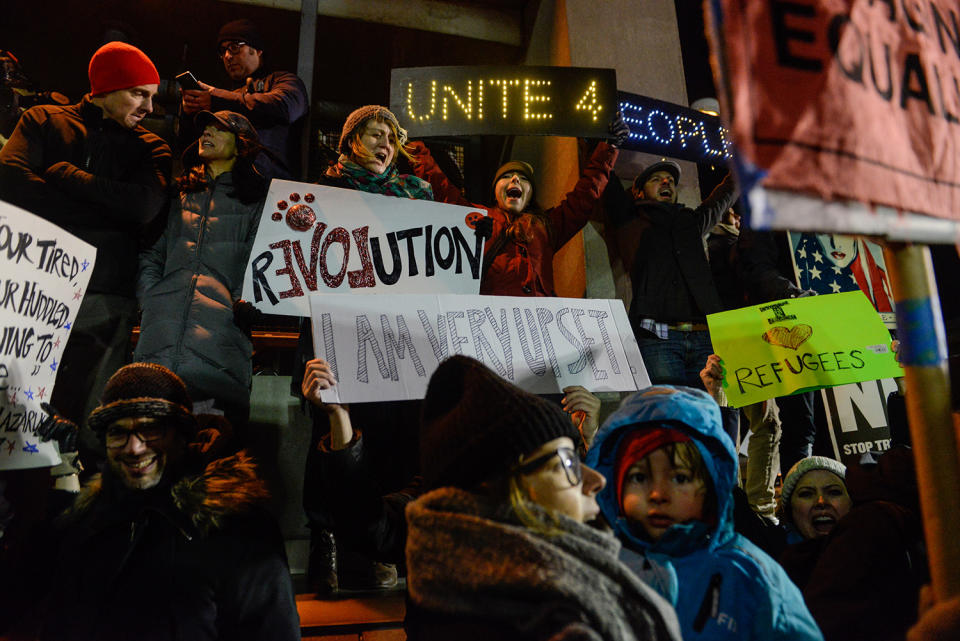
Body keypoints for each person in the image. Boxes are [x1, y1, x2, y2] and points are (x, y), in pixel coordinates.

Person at [1, 362, 299, 640]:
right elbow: (21, 593)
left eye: (151, 429)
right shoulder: (90, 521)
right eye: (118, 432)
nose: (134, 447)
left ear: (183, 435)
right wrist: (62, 471)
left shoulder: (240, 531)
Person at [403, 355, 683, 641]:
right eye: (567, 463)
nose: (597, 480)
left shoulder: (447, 594)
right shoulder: (557, 625)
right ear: (502, 489)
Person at [0, 41, 172, 459]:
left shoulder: (153, 146)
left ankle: (86, 508)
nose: (149, 107)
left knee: (93, 428)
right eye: (139, 93)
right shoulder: (43, 119)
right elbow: (9, 181)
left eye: (152, 96)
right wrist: (102, 212)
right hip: (31, 297)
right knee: (21, 422)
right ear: (107, 87)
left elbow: (144, 209)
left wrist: (65, 176)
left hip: (105, 300)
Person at [294, 104, 433, 590]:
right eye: (374, 135)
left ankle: (383, 541)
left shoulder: (418, 197)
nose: (384, 145)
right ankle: (325, 540)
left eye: (391, 139)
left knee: (392, 437)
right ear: (350, 141)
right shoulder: (320, 195)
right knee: (332, 427)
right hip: (336, 333)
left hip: (396, 338)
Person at [300, 357, 607, 565]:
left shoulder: (568, 538)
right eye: (564, 465)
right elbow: (370, 527)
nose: (596, 481)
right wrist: (339, 418)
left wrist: (591, 439)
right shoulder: (448, 516)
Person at [586, 385, 823, 641]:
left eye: (680, 478)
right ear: (615, 488)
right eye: (639, 477)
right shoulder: (597, 571)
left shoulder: (749, 574)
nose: (658, 494)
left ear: (711, 487)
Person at [135, 110, 267, 427]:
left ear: (242, 145)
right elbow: (152, 254)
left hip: (221, 352)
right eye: (204, 129)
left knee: (212, 460)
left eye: (217, 130)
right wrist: (152, 298)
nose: (205, 134)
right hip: (158, 349)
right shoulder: (178, 194)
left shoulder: (259, 201)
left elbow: (261, 266)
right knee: (153, 452)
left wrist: (242, 306)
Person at [410, 114, 629, 296]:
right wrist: (412, 142)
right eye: (507, 176)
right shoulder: (474, 218)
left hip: (537, 328)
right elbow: (439, 187)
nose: (515, 180)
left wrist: (609, 147)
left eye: (523, 179)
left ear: (530, 194)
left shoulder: (547, 227)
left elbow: (585, 196)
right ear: (495, 191)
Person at [603, 161, 737, 388]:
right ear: (639, 191)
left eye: (671, 181)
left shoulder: (693, 222)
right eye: (656, 179)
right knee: (669, 414)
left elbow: (725, 194)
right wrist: (603, 139)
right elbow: (604, 175)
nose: (666, 182)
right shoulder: (630, 219)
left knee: (710, 415)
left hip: (706, 336)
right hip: (658, 337)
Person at [779, 452, 925, 641]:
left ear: (852, 501)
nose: (821, 502)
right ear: (790, 510)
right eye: (806, 494)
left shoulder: (877, 551)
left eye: (834, 492)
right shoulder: (775, 573)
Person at [181, 18, 308, 179]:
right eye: (223, 51)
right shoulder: (227, 95)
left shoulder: (284, 81)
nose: (227, 56)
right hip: (230, 187)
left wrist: (217, 98)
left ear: (257, 50)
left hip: (272, 188)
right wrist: (188, 113)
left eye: (234, 47)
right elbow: (190, 148)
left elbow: (284, 107)